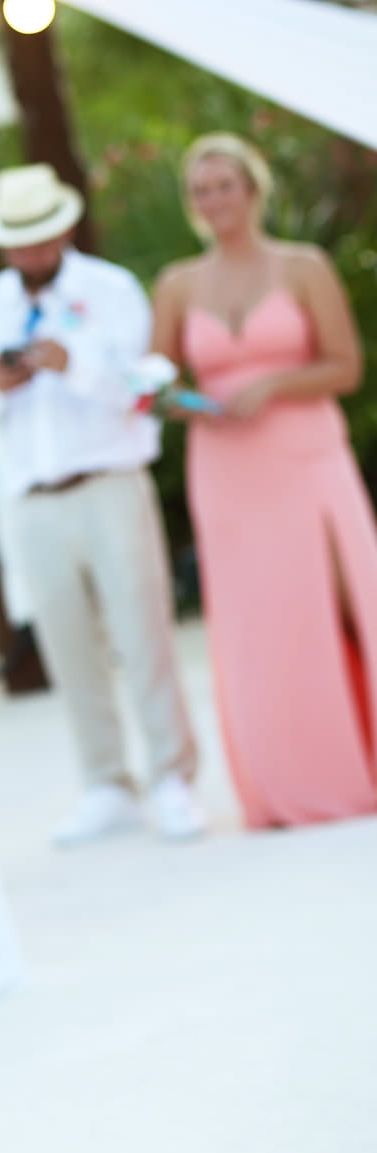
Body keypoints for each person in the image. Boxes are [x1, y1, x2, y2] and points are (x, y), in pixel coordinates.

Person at [0, 163, 202, 846]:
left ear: (61, 230)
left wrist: (74, 364)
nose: (30, 251)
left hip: (109, 483)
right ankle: (106, 783)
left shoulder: (109, 290)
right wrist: (1, 382)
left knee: (142, 631)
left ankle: (173, 777)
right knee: (67, 643)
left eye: (40, 236)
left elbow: (145, 386)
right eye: (17, 240)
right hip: (33, 496)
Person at [152, 132, 377, 828]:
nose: (214, 199)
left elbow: (346, 366)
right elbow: (155, 385)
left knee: (343, 601)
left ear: (253, 189)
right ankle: (286, 779)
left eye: (225, 184)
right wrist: (192, 405)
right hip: (226, 471)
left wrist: (275, 385)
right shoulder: (178, 283)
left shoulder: (302, 266)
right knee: (261, 621)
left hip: (307, 453)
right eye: (200, 190)